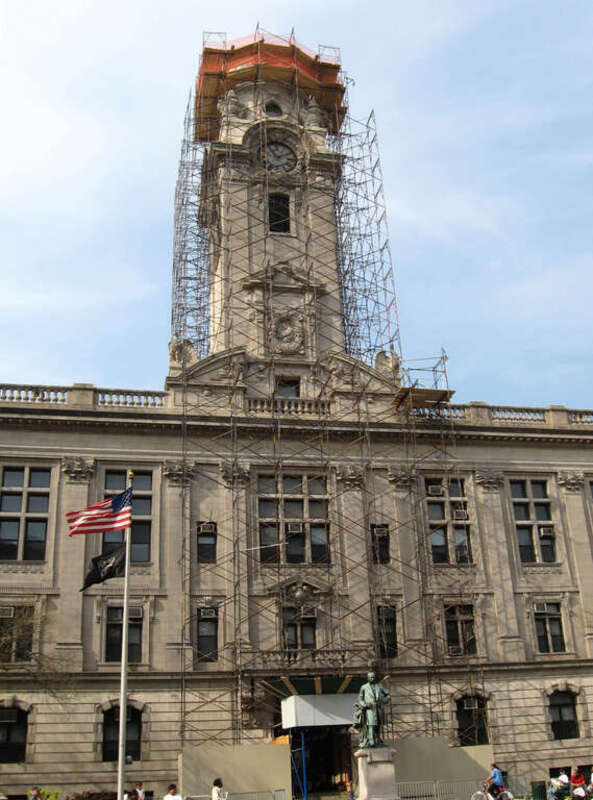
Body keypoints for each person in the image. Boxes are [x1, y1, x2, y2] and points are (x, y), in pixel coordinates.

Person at [352, 670, 391, 748]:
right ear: (368, 678)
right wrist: (364, 705)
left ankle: (377, 739)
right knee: (371, 724)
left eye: (373, 677)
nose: (372, 678)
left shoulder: (379, 686)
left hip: (378, 708)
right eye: (370, 677)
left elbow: (388, 695)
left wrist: (384, 700)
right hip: (369, 709)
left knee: (378, 725)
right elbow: (360, 698)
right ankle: (371, 740)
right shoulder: (364, 687)